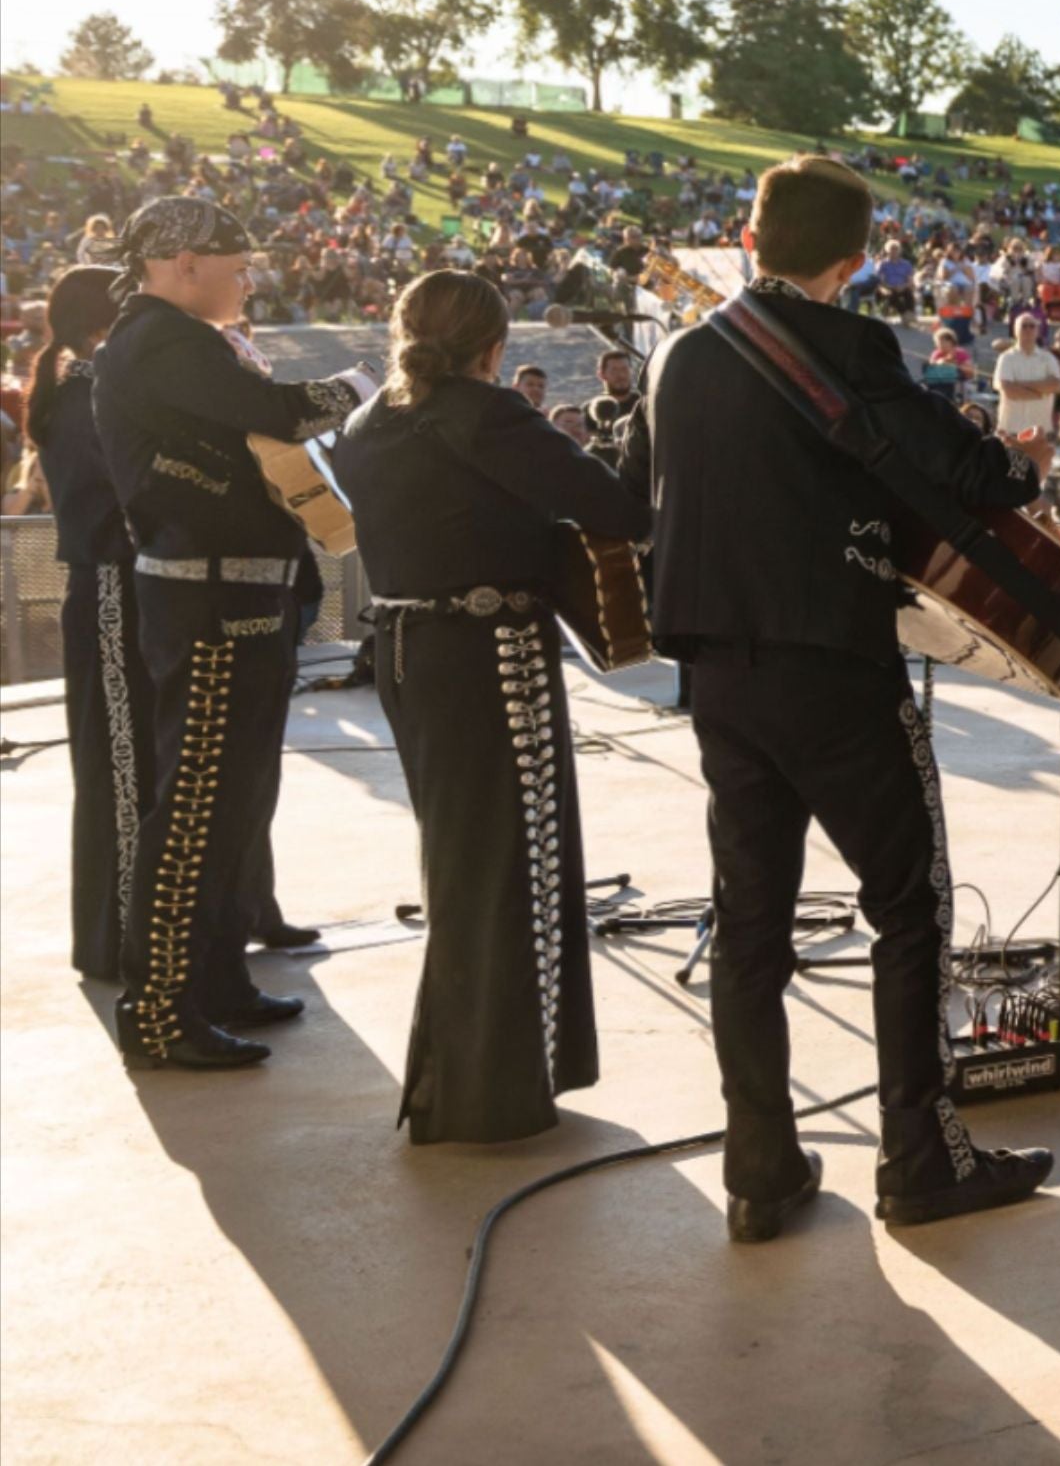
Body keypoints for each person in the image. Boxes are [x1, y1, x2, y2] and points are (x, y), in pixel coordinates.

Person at [625, 156, 1056, 1242]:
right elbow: (980, 476)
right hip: (832, 662)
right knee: (909, 905)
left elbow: (643, 492)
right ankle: (919, 1156)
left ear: (749, 231)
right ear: (853, 261)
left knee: (750, 919)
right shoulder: (850, 344)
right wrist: (1012, 458)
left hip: (717, 668)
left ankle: (759, 1170)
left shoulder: (678, 351)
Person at [330, 273, 649, 1144]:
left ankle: (462, 1079)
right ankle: (486, 1094)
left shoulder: (367, 423)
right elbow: (617, 507)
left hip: (405, 650)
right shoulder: (489, 413)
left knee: (461, 863)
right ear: (494, 347)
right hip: (488, 651)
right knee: (518, 863)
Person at [92, 198, 371, 1068]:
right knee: (198, 810)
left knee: (237, 807)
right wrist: (367, 387)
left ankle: (215, 982)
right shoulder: (160, 340)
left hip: (234, 596)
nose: (249, 279)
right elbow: (281, 412)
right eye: (236, 263)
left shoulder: (177, 339)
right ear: (181, 264)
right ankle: (162, 1010)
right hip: (208, 603)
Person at [32, 266, 147, 979]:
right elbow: (120, 491)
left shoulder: (82, 386)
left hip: (120, 586)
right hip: (108, 586)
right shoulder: (83, 393)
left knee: (128, 761)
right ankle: (120, 938)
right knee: (120, 767)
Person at [992, 312, 1060, 437]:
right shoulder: (1006, 358)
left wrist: (1020, 385)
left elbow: (1055, 385)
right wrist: (1040, 392)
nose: (1028, 329)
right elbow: (1009, 391)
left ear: (1037, 331)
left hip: (1040, 430)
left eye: (1032, 326)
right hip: (1011, 430)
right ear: (1015, 331)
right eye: (1024, 326)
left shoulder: (1048, 358)